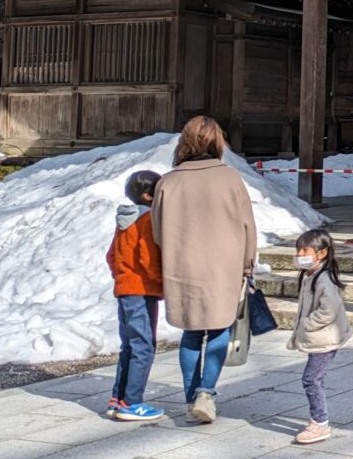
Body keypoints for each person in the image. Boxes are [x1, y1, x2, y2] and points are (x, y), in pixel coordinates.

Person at [152, 115, 258, 425]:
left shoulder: (168, 182)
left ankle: (190, 397)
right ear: (218, 143)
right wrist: (248, 265)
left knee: (190, 331)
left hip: (181, 266)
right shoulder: (230, 179)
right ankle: (206, 392)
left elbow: (158, 232)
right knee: (219, 327)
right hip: (224, 266)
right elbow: (248, 227)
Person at [105, 169, 166, 422]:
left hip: (124, 289)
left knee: (129, 345)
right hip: (142, 289)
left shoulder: (124, 221)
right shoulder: (147, 220)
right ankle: (132, 401)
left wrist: (120, 276)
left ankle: (117, 398)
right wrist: (163, 282)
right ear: (149, 195)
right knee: (144, 346)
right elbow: (148, 258)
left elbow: (111, 256)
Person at [288, 228, 353, 445]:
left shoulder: (325, 279)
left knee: (311, 379)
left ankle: (320, 422)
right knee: (315, 378)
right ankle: (319, 419)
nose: (300, 255)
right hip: (319, 337)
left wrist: (307, 324)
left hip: (325, 338)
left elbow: (328, 310)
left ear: (322, 253)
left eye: (305, 250)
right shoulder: (311, 276)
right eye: (298, 250)